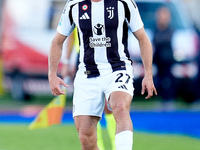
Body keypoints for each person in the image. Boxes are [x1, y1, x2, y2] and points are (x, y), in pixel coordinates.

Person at [48, 0, 157, 150]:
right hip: (87, 73)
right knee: (86, 138)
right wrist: (52, 74)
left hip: (117, 68)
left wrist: (148, 74)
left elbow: (143, 38)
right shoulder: (74, 5)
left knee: (119, 106)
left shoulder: (124, 3)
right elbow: (57, 41)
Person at [61, 28, 116, 150]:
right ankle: (98, 147)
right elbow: (70, 35)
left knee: (109, 106)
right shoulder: (75, 9)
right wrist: (66, 61)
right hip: (82, 58)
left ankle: (117, 146)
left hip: (104, 57)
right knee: (89, 109)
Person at [153, 7, 176, 110]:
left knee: (167, 81)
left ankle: (168, 99)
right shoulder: (156, 30)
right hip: (158, 60)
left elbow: (162, 42)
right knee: (160, 80)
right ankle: (163, 99)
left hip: (167, 60)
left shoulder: (170, 30)